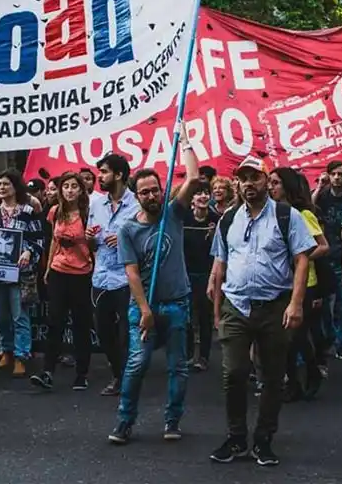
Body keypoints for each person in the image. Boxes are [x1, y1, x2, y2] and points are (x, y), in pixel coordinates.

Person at [208, 155, 314, 467]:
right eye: (243, 178)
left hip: (274, 307)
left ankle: (264, 439)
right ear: (237, 183)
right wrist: (216, 309)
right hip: (236, 306)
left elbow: (302, 259)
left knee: (271, 376)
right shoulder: (229, 218)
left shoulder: (286, 215)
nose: (249, 184)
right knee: (234, 373)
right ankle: (236, 437)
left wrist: (296, 304)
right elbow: (221, 262)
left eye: (255, 177)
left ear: (267, 181)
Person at [107, 122, 201, 445]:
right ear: (136, 196)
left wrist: (185, 139)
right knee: (137, 363)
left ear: (162, 189)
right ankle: (124, 421)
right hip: (143, 305)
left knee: (178, 367)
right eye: (144, 191)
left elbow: (193, 178)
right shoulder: (128, 230)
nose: (151, 195)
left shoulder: (173, 213)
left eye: (154, 189)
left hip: (177, 302)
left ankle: (172, 420)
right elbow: (131, 273)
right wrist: (145, 309)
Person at [269, 167, 330, 401]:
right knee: (289, 337)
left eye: (276, 183)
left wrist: (299, 256)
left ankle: (307, 374)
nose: (271, 187)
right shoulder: (272, 212)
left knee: (295, 337)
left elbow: (323, 246)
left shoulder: (303, 214)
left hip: (305, 282)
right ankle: (297, 379)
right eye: (270, 183)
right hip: (281, 282)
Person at [31, 171, 94, 391]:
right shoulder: (55, 212)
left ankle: (82, 373)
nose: (69, 190)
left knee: (80, 324)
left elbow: (93, 244)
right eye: (65, 186)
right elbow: (53, 243)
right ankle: (47, 371)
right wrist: (48, 269)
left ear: (80, 190)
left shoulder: (88, 213)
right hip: (59, 271)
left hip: (81, 273)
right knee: (54, 321)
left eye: (73, 186)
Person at [87, 153, 138, 396]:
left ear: (119, 175)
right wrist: (88, 239)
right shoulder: (96, 204)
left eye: (105, 172)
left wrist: (124, 240)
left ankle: (125, 378)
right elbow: (92, 240)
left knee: (127, 332)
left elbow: (147, 241)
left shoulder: (137, 205)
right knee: (103, 331)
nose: (100, 177)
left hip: (126, 278)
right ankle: (118, 372)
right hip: (101, 277)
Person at [0, 169, 44, 379]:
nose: (2, 188)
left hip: (21, 272)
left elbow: (39, 239)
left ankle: (21, 355)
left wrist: (28, 251)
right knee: (0, 315)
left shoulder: (28, 211)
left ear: (15, 187)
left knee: (20, 314)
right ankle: (6, 350)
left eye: (6, 184)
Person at [315, 160, 342, 360]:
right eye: (334, 174)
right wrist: (320, 186)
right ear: (329, 175)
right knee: (323, 304)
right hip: (324, 256)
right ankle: (328, 337)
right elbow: (308, 209)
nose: (338, 177)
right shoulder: (322, 197)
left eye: (341, 173)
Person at [184, 181, 219, 372]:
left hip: (207, 274)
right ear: (192, 199)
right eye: (199, 194)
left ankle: (203, 357)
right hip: (187, 274)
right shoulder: (184, 220)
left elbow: (219, 251)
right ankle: (189, 354)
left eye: (206, 193)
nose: (203, 197)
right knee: (188, 316)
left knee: (205, 317)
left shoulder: (216, 219)